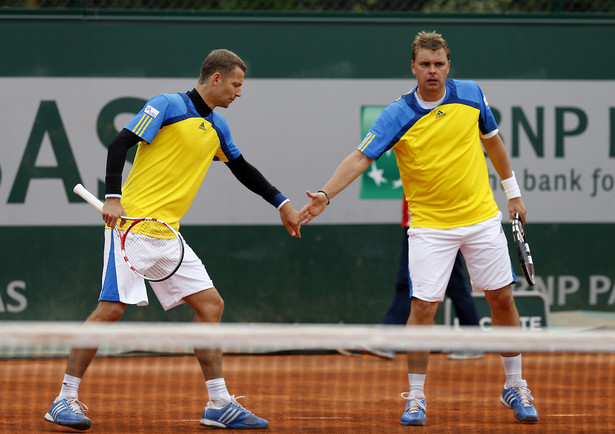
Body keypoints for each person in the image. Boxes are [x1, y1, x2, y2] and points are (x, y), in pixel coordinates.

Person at [45, 49, 301, 431]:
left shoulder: (217, 127)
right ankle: (64, 399)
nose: (239, 93)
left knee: (210, 305)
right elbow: (119, 145)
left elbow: (242, 169)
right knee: (111, 310)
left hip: (168, 235)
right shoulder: (166, 105)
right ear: (216, 78)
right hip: (129, 228)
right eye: (236, 84)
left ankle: (218, 404)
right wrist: (113, 196)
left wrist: (280, 201)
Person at [299, 31, 538, 426]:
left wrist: (513, 193)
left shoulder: (471, 94)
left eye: (439, 64)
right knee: (423, 309)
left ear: (449, 66)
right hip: (429, 226)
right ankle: (415, 396)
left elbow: (493, 143)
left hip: (480, 219)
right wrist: (325, 194)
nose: (432, 71)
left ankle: (516, 385)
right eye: (425, 64)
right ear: (413, 67)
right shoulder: (397, 114)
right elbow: (360, 159)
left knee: (501, 300)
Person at [382, 197, 484, 360]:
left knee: (453, 286)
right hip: (419, 226)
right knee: (409, 283)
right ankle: (386, 339)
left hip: (436, 228)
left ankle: (386, 339)